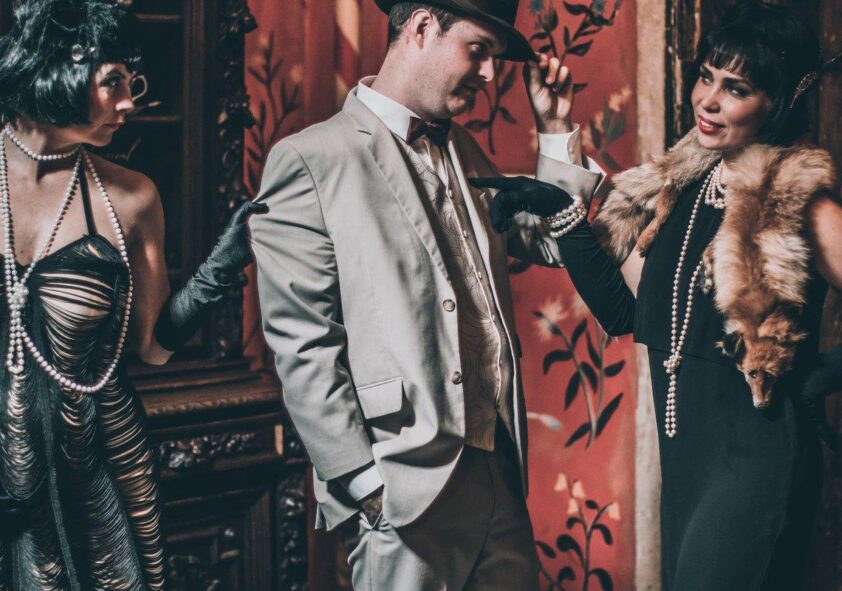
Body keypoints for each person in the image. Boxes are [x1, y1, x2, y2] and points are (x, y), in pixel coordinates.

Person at [472, 2, 842, 589]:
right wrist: (563, 212)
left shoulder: (796, 203)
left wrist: (820, 374)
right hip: (686, 460)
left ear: (776, 104)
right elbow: (624, 311)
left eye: (736, 88)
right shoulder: (683, 190)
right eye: (706, 77)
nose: (708, 101)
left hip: (754, 463)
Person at [249, 0, 604, 588]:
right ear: (420, 27)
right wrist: (364, 482)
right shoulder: (311, 160)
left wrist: (555, 127)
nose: (489, 74)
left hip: (497, 470)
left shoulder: (462, 149)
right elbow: (302, 341)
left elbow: (547, 239)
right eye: (478, 50)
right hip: (402, 486)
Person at [0, 0, 264, 589]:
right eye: (113, 82)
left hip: (94, 474)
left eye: (132, 83)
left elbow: (152, 348)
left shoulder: (130, 198)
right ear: (58, 68)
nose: (129, 103)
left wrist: (219, 269)